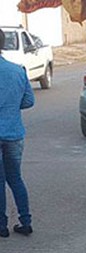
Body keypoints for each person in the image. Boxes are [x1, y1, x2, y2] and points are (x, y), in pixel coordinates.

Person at [0, 28, 34, 238]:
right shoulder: (17, 70)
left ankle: (1, 225)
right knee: (15, 178)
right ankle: (25, 221)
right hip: (13, 133)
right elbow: (29, 100)